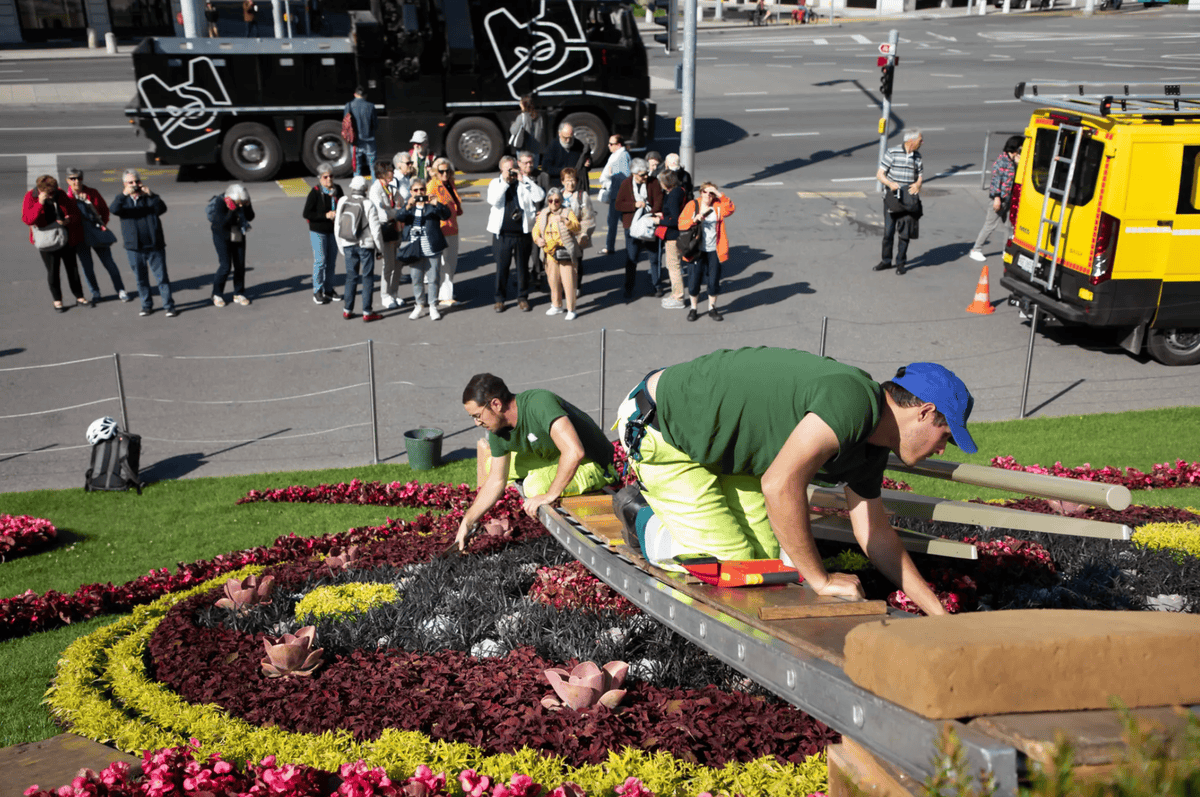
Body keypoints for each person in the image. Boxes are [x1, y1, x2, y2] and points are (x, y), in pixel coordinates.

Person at [615, 348, 977, 617]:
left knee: (767, 564)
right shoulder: (853, 402)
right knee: (731, 567)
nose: (941, 449)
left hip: (717, 445)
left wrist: (938, 615)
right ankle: (641, 518)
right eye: (946, 436)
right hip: (663, 428)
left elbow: (875, 534)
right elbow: (779, 485)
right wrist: (821, 580)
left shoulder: (872, 444)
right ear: (925, 412)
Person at [456, 373, 616, 548]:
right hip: (555, 454)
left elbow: (575, 452)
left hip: (594, 464)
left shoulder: (540, 403)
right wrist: (467, 521)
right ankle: (547, 475)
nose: (477, 422)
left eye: (478, 415)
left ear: (496, 404)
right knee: (493, 467)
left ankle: (552, 481)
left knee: (534, 486)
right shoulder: (497, 428)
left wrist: (549, 495)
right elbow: (496, 480)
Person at [110, 169, 176, 318]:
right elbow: (113, 209)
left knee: (162, 278)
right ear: (125, 184)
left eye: (137, 181)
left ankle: (169, 306)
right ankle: (146, 306)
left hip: (154, 245)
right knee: (141, 279)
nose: (135, 184)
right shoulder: (122, 200)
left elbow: (162, 209)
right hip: (134, 247)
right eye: (131, 182)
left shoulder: (149, 198)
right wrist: (124, 194)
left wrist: (151, 195)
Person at [486, 154, 544, 313]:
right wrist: (505, 182)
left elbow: (539, 196)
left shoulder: (523, 183)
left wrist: (524, 179)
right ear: (501, 170)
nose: (511, 172)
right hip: (502, 234)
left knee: (522, 268)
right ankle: (500, 299)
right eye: (507, 169)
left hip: (522, 234)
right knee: (502, 268)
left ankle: (522, 298)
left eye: (513, 169)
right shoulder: (495, 183)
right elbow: (493, 200)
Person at [65, 167, 131, 304]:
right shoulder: (66, 197)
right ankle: (96, 293)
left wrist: (102, 225)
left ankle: (120, 290)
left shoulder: (92, 192)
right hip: (80, 237)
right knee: (87, 267)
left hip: (96, 234)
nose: (76, 181)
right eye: (73, 179)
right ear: (67, 181)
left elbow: (105, 211)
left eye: (79, 178)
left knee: (109, 264)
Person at [23, 174, 86, 313]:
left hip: (64, 237)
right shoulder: (31, 197)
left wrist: (68, 220)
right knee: (53, 272)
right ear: (40, 190)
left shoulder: (60, 194)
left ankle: (79, 297)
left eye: (53, 191)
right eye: (49, 193)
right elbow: (28, 219)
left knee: (72, 269)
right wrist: (39, 203)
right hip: (46, 240)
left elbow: (74, 212)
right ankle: (58, 301)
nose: (52, 195)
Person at [395, 177, 451, 321]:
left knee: (433, 279)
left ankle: (433, 306)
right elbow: (399, 216)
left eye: (422, 189)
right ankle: (419, 305)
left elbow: (447, 214)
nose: (419, 193)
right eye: (416, 190)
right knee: (416, 279)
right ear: (411, 192)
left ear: (425, 191)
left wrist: (436, 203)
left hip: (432, 248)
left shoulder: (432, 206)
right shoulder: (409, 207)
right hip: (414, 249)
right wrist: (408, 205)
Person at [679, 182, 735, 322]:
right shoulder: (693, 205)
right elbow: (681, 223)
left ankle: (712, 308)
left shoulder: (718, 205)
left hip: (714, 250)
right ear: (701, 192)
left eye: (711, 193)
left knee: (713, 280)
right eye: (705, 192)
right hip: (696, 250)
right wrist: (694, 220)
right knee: (694, 281)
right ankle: (693, 309)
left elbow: (730, 209)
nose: (708, 195)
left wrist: (719, 194)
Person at [874, 128, 924, 276]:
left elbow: (920, 176)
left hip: (908, 200)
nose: (922, 142)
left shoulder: (918, 156)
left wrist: (918, 185)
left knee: (904, 234)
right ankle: (886, 261)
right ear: (911, 141)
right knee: (888, 232)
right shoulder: (892, 152)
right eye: (920, 140)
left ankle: (901, 263)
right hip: (892, 199)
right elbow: (880, 174)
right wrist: (889, 184)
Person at [334, 175, 384, 322]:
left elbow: (337, 226)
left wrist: (341, 246)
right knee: (367, 278)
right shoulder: (368, 204)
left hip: (348, 244)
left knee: (351, 277)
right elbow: (376, 230)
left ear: (351, 188)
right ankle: (367, 312)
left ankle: (347, 310)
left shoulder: (343, 201)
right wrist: (379, 249)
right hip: (365, 245)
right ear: (365, 189)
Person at [615, 157, 663, 300]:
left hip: (649, 224)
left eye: (647, 173)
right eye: (642, 175)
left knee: (654, 257)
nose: (646, 177)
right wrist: (634, 205)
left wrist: (652, 214)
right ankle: (629, 288)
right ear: (634, 174)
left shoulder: (653, 182)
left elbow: (659, 200)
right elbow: (618, 205)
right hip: (632, 226)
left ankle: (657, 286)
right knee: (632, 258)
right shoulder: (626, 184)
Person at [969, 135, 1023, 263]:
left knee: (1009, 226)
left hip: (1008, 200)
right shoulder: (1002, 161)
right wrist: (997, 198)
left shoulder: (1012, 161)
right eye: (1021, 147)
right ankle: (976, 250)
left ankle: (1006, 250)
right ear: (1016, 148)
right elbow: (995, 181)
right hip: (1000, 199)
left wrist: (1018, 163)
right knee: (990, 225)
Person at [533, 187, 582, 320]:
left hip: (565, 252)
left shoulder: (567, 212)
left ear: (561, 201)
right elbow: (535, 230)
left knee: (568, 282)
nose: (554, 203)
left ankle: (571, 309)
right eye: (551, 200)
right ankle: (556, 305)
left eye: (557, 200)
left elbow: (577, 227)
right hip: (549, 253)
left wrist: (564, 220)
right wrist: (538, 239)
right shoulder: (543, 213)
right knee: (553, 281)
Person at [209, 183, 255, 307]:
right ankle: (217, 294)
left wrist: (247, 205)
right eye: (238, 203)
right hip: (222, 235)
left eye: (242, 202)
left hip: (238, 233)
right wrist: (231, 210)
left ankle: (239, 293)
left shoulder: (243, 200)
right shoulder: (220, 202)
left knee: (240, 265)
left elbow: (250, 217)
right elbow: (222, 224)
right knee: (225, 266)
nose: (240, 205)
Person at [303, 163, 343, 305]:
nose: (329, 179)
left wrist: (338, 213)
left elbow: (343, 206)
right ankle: (317, 291)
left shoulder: (338, 190)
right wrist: (325, 215)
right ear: (320, 178)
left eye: (331, 176)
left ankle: (329, 289)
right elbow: (307, 213)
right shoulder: (315, 192)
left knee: (331, 262)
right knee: (320, 261)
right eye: (325, 177)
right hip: (318, 231)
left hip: (333, 231)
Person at [428, 157, 464, 308]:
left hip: (452, 227)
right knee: (446, 264)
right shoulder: (433, 186)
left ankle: (445, 292)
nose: (444, 174)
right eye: (441, 171)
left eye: (447, 171)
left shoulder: (450, 183)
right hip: (442, 228)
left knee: (451, 262)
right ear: (435, 172)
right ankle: (445, 296)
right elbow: (429, 207)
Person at [369, 159, 404, 309]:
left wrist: (396, 211)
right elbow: (382, 214)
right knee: (388, 265)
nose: (392, 172)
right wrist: (396, 212)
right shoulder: (375, 190)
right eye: (390, 170)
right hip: (386, 230)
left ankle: (394, 292)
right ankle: (385, 295)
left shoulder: (391, 188)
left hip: (397, 229)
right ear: (381, 174)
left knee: (398, 264)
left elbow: (401, 203)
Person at [559, 166, 595, 292]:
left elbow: (588, 217)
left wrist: (583, 233)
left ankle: (576, 286)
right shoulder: (557, 195)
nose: (571, 183)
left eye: (573, 180)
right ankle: (563, 286)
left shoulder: (582, 196)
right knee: (561, 261)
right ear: (562, 181)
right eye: (567, 180)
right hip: (560, 235)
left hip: (576, 235)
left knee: (576, 262)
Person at [657, 170, 687, 310]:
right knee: (674, 266)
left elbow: (675, 220)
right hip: (677, 236)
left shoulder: (673, 195)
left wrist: (659, 221)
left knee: (673, 267)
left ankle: (678, 297)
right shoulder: (680, 191)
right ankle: (676, 294)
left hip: (672, 236)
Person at [599, 134, 631, 255]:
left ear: (618, 145)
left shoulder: (622, 156)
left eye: (611, 144)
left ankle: (611, 246)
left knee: (614, 221)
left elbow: (625, 176)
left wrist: (611, 175)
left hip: (618, 195)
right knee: (617, 220)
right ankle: (612, 246)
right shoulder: (617, 155)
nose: (609, 146)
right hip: (616, 193)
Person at [540, 122, 591, 188]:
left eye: (570, 138)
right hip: (558, 184)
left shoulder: (578, 145)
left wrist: (588, 163)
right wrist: (564, 172)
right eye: (565, 138)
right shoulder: (552, 147)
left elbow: (587, 162)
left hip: (575, 184)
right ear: (559, 134)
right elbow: (546, 168)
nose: (568, 140)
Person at [344, 87, 378, 178]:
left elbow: (346, 123)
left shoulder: (349, 105)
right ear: (365, 95)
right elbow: (375, 124)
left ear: (355, 94)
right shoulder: (371, 106)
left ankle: (357, 185)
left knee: (357, 167)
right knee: (373, 166)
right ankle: (375, 185)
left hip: (355, 141)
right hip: (369, 140)